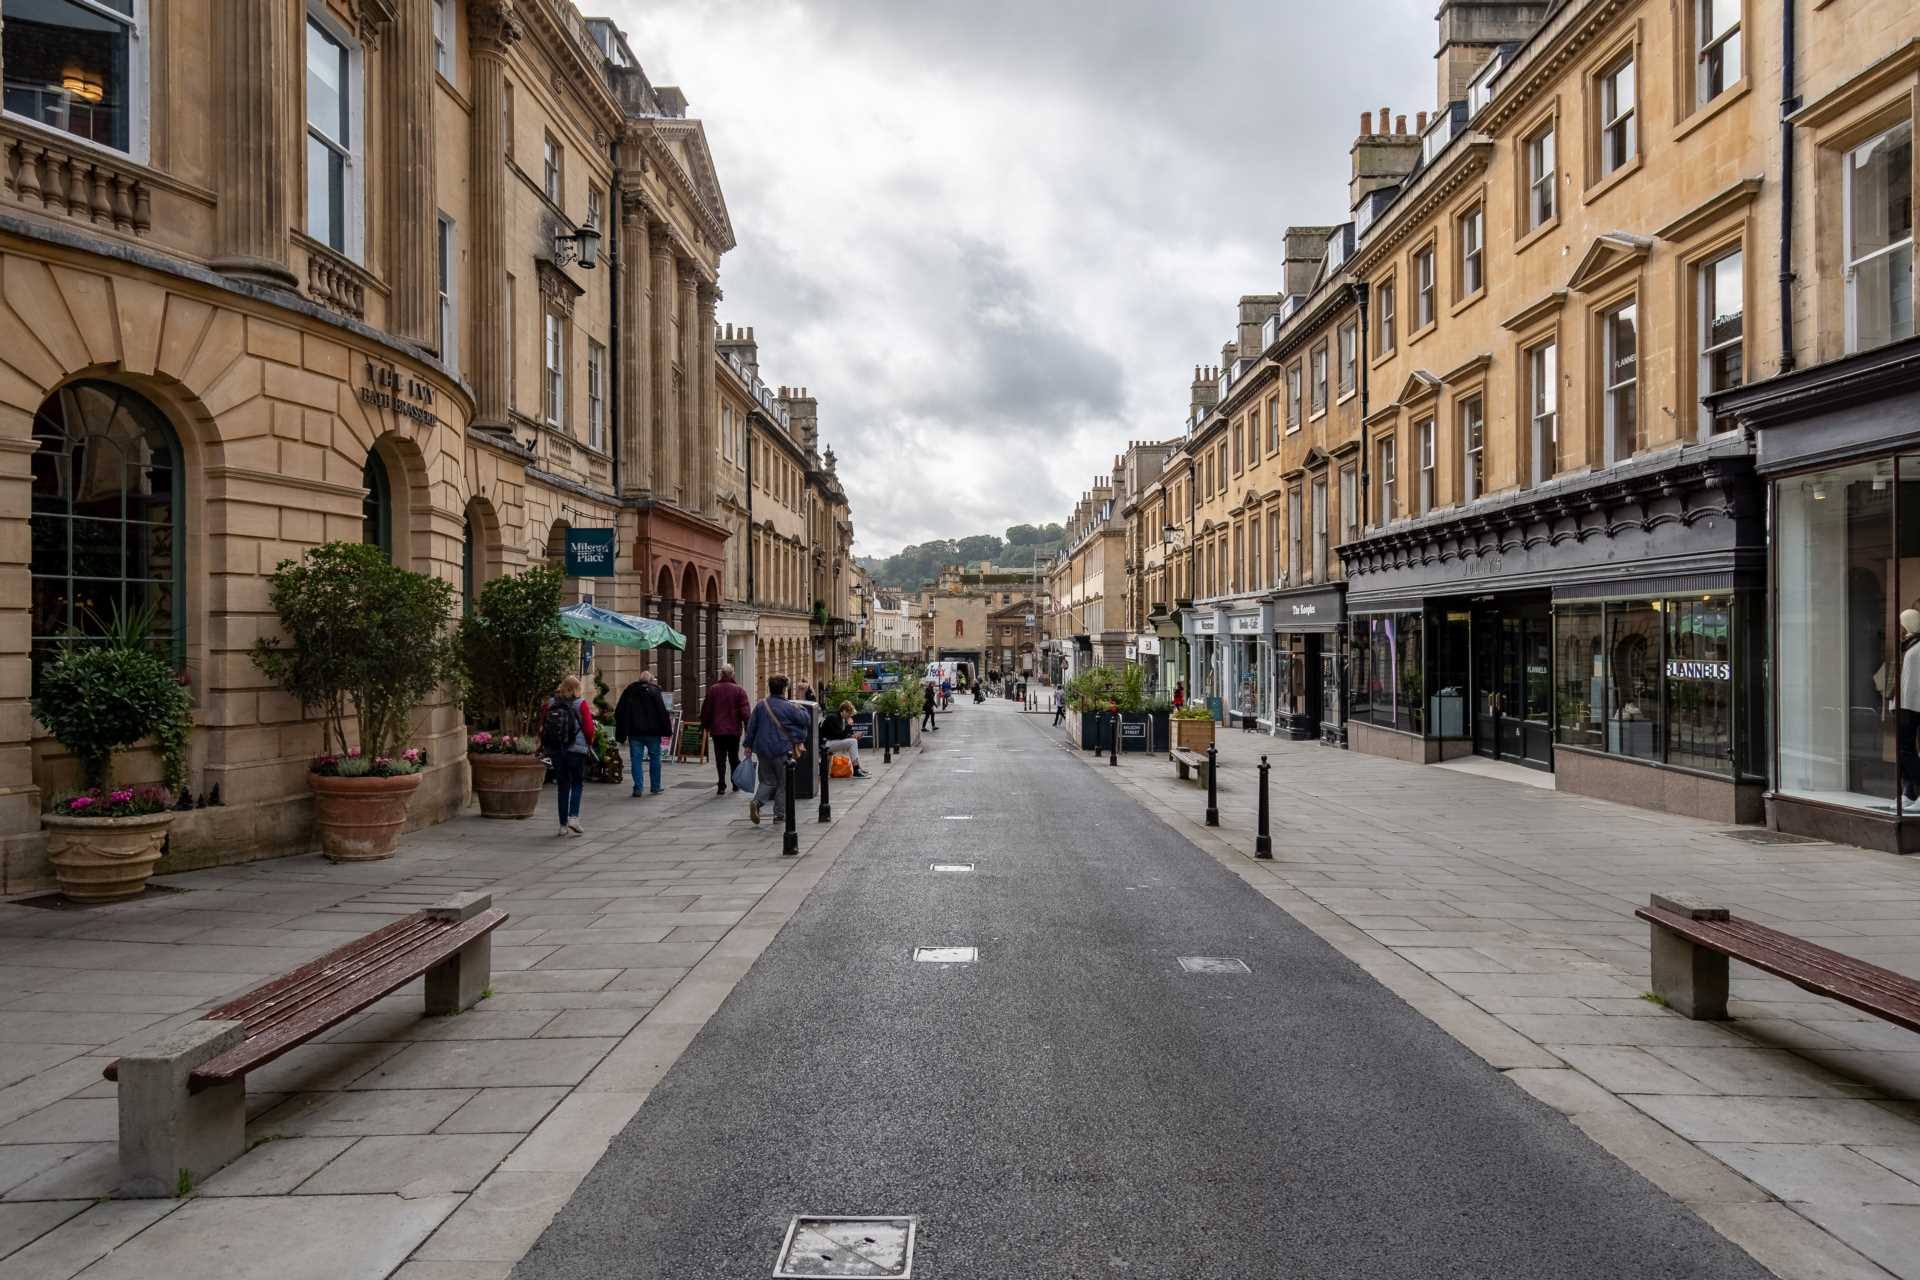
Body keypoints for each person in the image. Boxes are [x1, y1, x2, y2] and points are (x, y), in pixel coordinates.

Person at [743, 674, 812, 827]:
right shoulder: (789, 706)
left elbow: (751, 726)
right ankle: (779, 815)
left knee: (767, 781)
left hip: (763, 750)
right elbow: (806, 720)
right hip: (782, 749)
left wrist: (748, 745)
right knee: (783, 783)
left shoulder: (761, 705)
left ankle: (757, 802)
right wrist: (800, 707)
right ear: (784, 689)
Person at [539, 674, 595, 836]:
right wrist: (589, 743)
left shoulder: (551, 703)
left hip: (557, 749)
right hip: (576, 750)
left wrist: (544, 745)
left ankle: (562, 826)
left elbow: (543, 726)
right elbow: (589, 729)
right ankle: (573, 818)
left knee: (563, 786)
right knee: (577, 783)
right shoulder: (581, 704)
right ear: (577, 689)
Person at [613, 669, 671, 797]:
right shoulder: (656, 692)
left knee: (636, 759)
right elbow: (663, 712)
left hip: (635, 732)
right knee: (655, 758)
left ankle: (638, 788)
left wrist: (624, 727)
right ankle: (655, 786)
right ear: (651, 680)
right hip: (653, 733)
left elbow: (619, 711)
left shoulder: (630, 691)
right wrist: (667, 729)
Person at [700, 664, 751, 797]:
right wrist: (748, 731)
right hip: (734, 731)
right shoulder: (739, 691)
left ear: (721, 674)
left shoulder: (713, 690)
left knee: (720, 758)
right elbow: (745, 713)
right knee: (734, 757)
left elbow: (706, 710)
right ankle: (735, 783)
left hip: (718, 731)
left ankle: (721, 784)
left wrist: (705, 725)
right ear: (732, 674)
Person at [820, 700, 870, 778]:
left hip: (830, 742)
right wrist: (849, 726)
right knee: (853, 742)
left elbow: (839, 735)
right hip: (825, 744)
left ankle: (858, 768)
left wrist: (853, 736)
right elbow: (840, 736)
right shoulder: (833, 718)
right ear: (843, 711)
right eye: (849, 714)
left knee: (853, 741)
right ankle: (856, 769)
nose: (849, 716)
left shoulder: (840, 719)